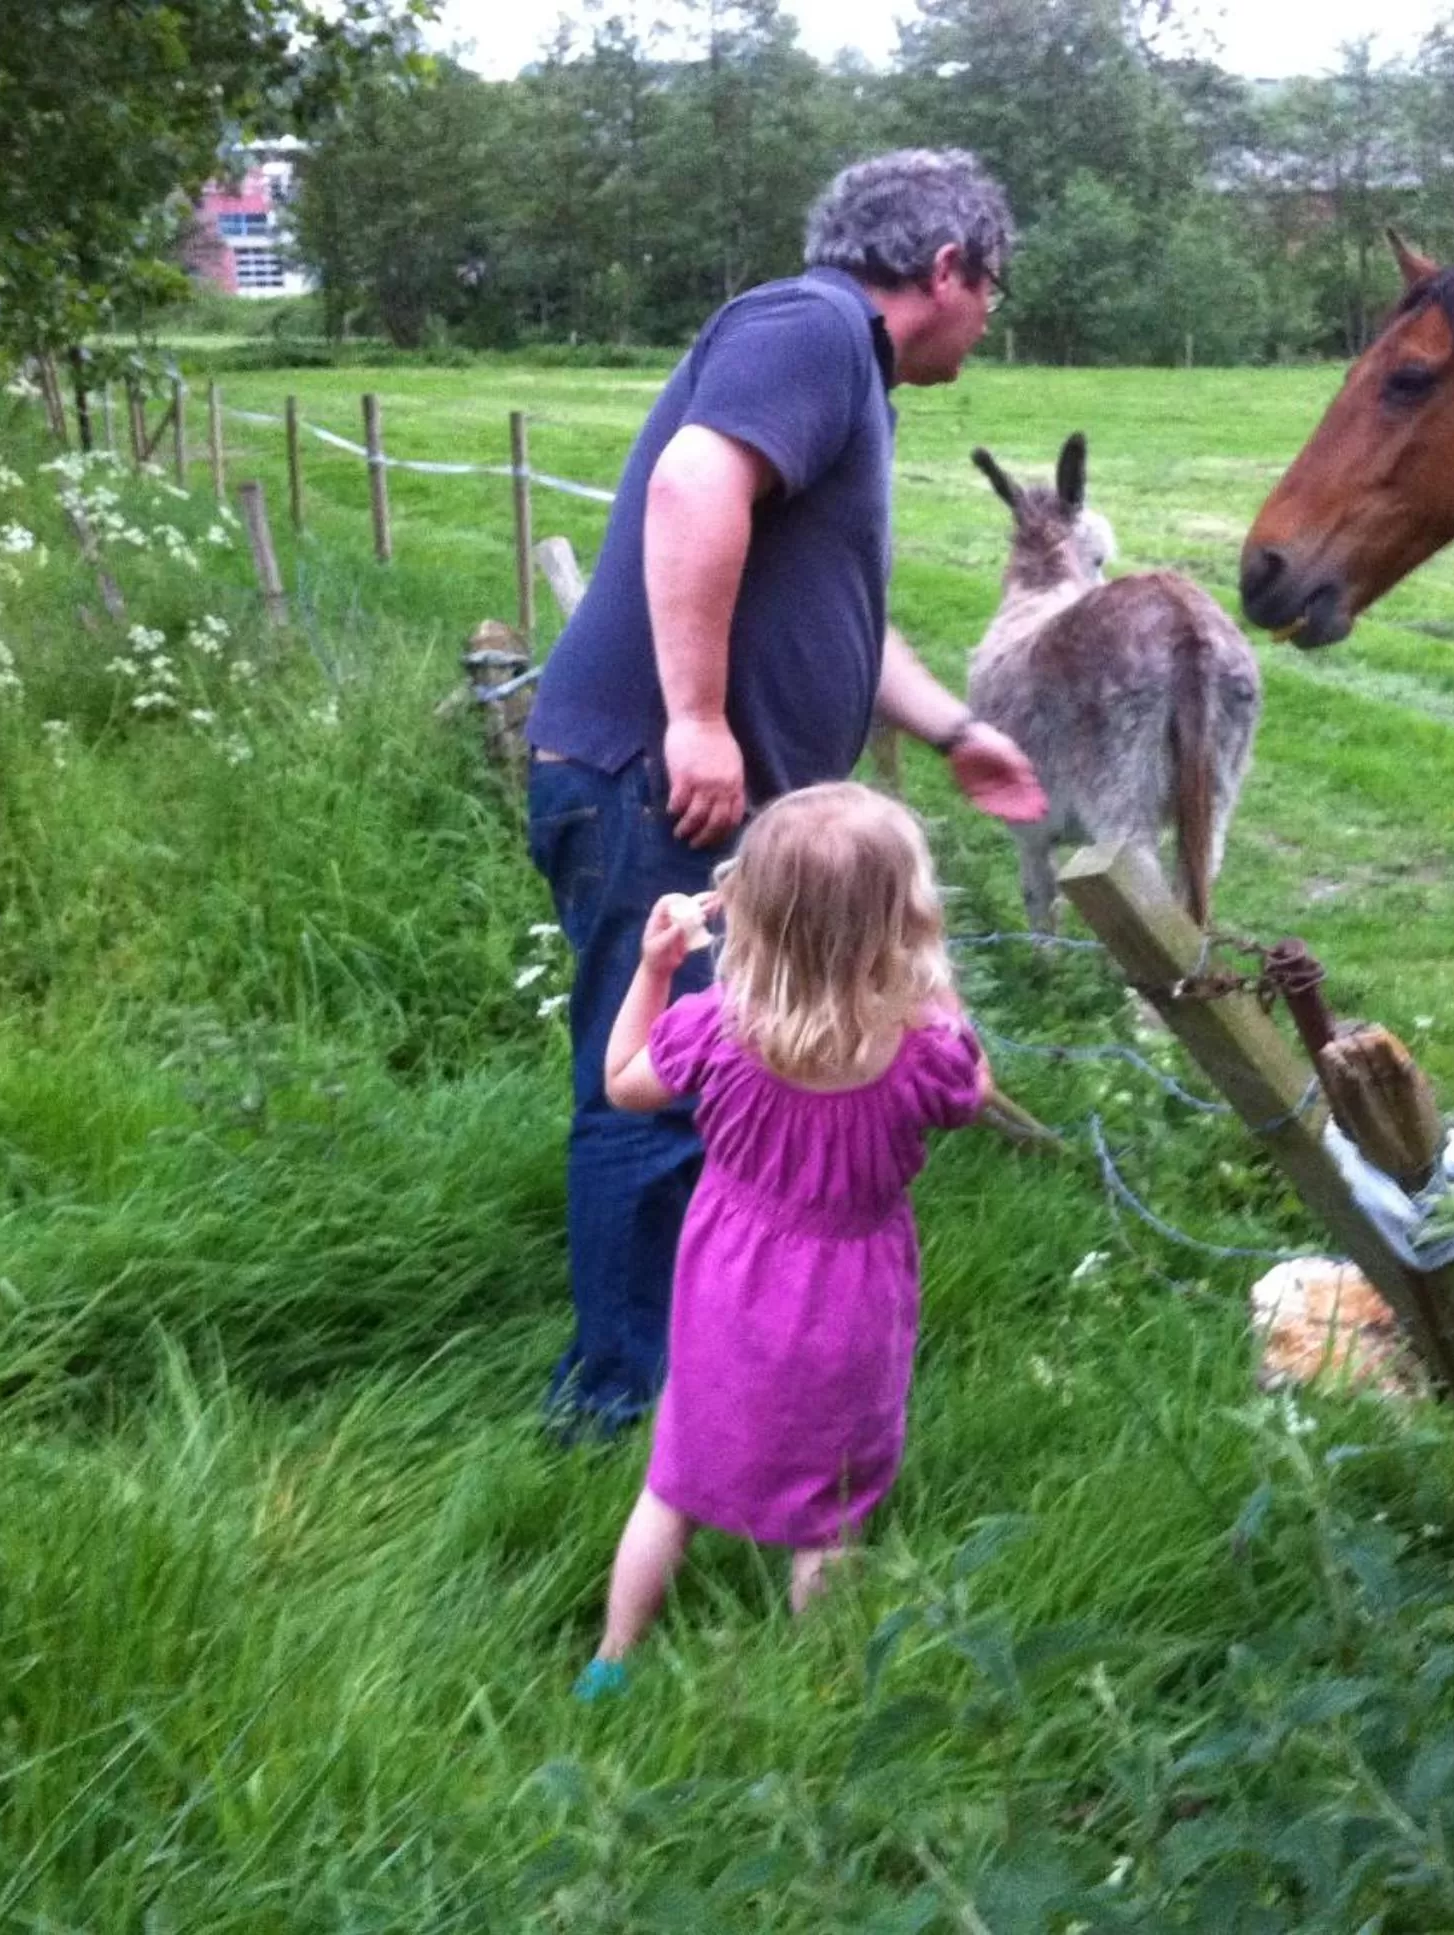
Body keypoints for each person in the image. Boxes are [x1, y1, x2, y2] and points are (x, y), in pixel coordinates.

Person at [522, 149, 1046, 1436]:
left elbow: (836, 620)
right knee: (657, 1095)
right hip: (661, 790)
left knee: (722, 1094)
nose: (992, 319)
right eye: (996, 290)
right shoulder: (809, 327)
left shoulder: (843, 374)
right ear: (947, 270)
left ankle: (698, 1377)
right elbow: (693, 485)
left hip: (697, 801)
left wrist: (954, 730)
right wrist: (696, 717)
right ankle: (618, 1411)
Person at [573, 784, 989, 1697]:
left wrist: (651, 968)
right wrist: (934, 985)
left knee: (673, 1484)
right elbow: (975, 1088)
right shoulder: (925, 1049)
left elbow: (620, 1086)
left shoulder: (714, 1033)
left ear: (752, 913)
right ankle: (822, 1692)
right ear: (904, 922)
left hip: (728, 1278)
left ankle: (610, 1662)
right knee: (830, 1515)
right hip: (856, 1297)